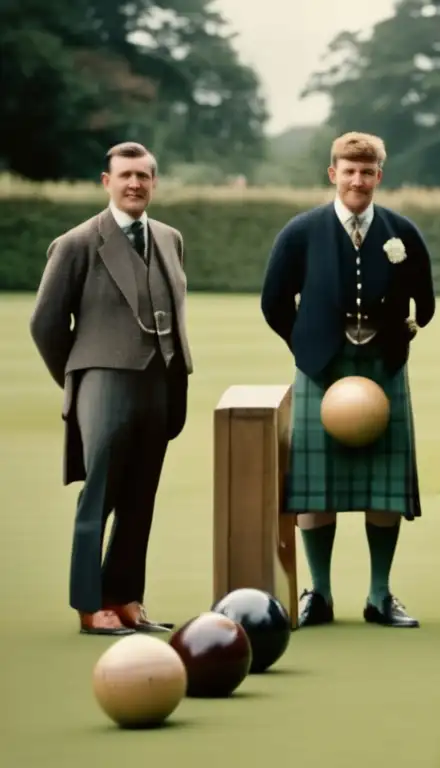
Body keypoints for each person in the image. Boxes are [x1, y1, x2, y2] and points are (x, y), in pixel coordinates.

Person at [260, 132, 435, 629]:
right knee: (317, 491)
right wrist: (306, 344)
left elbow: (425, 300)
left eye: (368, 170)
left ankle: (379, 595)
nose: (358, 180)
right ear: (332, 173)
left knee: (383, 488)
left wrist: (401, 337)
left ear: (380, 175)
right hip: (321, 368)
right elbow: (274, 301)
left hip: (383, 368)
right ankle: (321, 594)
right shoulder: (301, 231)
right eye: (349, 170)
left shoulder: (402, 230)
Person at [29, 141, 192, 635]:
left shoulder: (169, 238)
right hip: (103, 383)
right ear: (107, 182)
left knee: (141, 498)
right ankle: (89, 605)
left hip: (160, 383)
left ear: (153, 182)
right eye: (125, 175)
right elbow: (46, 323)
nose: (135, 184)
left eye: (143, 176)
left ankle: (125, 599)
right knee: (98, 497)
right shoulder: (77, 243)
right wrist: (82, 377)